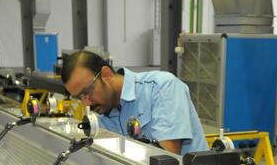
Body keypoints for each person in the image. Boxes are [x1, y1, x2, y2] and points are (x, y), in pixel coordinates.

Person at [61, 50, 208, 155]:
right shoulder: (103, 116)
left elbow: (167, 159)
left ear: (106, 75)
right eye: (79, 97)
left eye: (87, 91)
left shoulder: (161, 87)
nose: (86, 104)